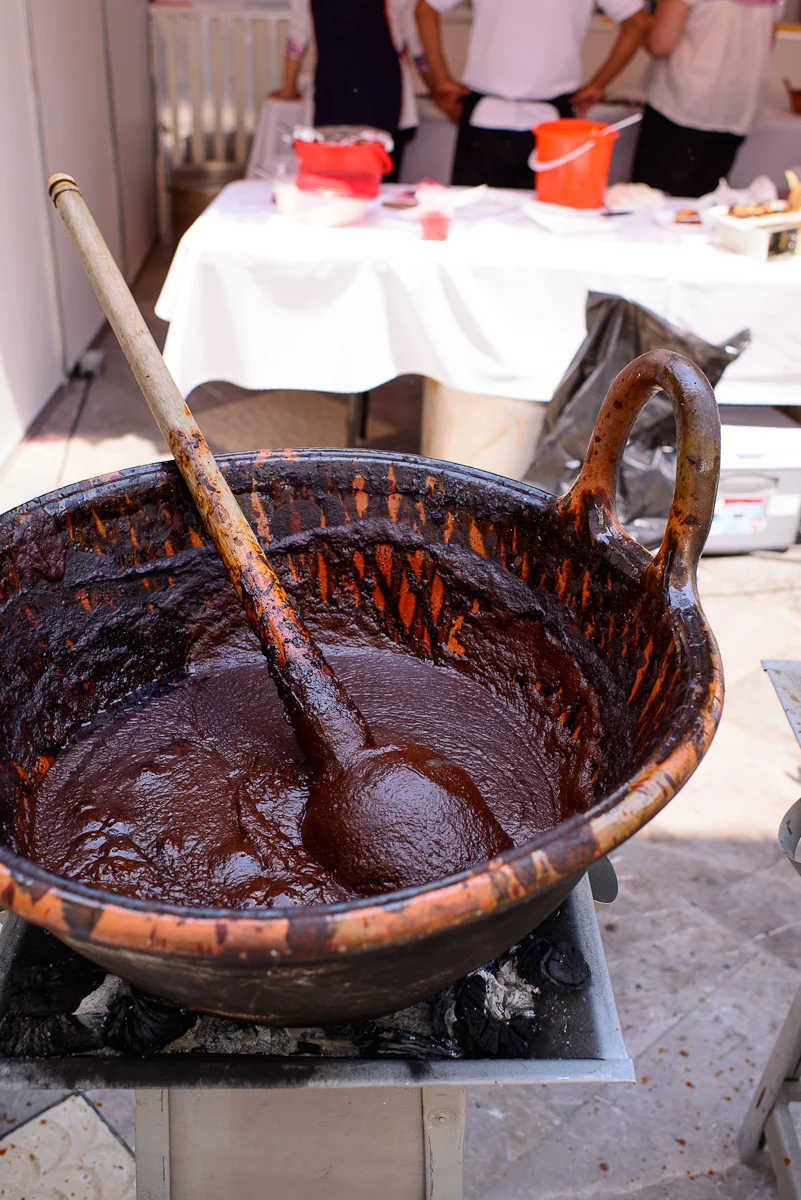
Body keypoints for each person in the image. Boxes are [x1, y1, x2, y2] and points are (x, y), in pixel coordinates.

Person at [414, 0, 649, 189]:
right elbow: (637, 22)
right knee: (547, 221)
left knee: (474, 222)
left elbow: (425, 9)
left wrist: (441, 79)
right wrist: (598, 85)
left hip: (496, 116)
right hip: (546, 120)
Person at [632, 0, 785, 197]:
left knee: (653, 206)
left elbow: (659, 43)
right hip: (738, 105)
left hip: (683, 103)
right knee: (705, 208)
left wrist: (637, 26)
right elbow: (768, 42)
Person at [271, 0, 432, 182]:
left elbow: (298, 40)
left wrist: (288, 88)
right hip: (376, 96)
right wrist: (436, 87)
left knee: (331, 181)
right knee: (378, 181)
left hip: (338, 95)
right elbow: (417, 47)